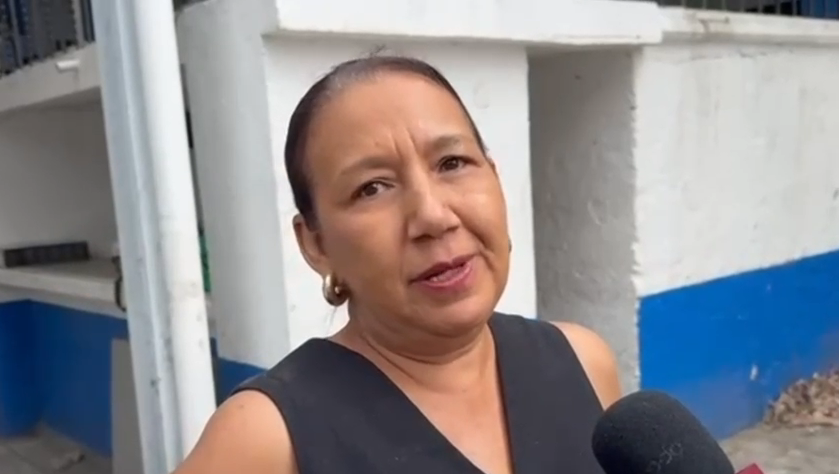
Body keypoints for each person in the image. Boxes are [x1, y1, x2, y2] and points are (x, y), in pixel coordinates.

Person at [173, 55, 622, 474]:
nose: (433, 216)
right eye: (372, 188)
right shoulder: (269, 436)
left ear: (495, 177)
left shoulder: (581, 362)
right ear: (316, 243)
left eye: (452, 163)